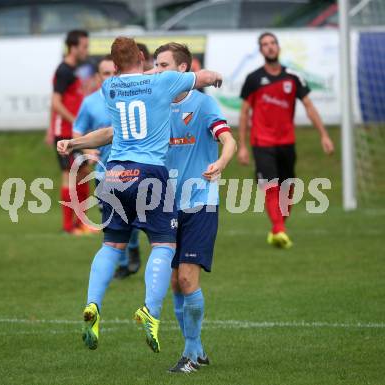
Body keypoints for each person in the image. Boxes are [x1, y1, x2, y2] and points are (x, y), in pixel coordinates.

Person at [57, 36, 223, 354]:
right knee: (163, 243)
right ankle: (150, 309)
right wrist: (213, 75)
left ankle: (93, 303)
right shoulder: (164, 83)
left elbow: (112, 130)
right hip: (149, 173)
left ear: (114, 65)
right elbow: (202, 78)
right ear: (143, 57)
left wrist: (74, 142)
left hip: (115, 174)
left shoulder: (110, 88)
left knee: (112, 244)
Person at [154, 43, 236, 373]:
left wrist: (221, 162)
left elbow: (229, 139)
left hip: (201, 200)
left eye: (163, 65)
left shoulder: (202, 104)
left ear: (183, 70)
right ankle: (198, 348)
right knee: (175, 283)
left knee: (188, 279)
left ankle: (189, 355)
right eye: (155, 65)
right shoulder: (156, 106)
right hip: (166, 204)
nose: (157, 71)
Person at [237, 32, 334, 248]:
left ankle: (278, 228)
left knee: (287, 187)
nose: (270, 47)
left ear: (278, 48)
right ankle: (279, 229)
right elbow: (244, 113)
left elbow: (309, 106)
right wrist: (242, 146)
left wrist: (324, 135)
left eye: (273, 43)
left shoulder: (293, 77)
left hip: (287, 142)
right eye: (265, 44)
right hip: (262, 143)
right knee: (270, 185)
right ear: (260, 50)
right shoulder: (253, 79)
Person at [73, 55, 140, 279]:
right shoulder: (90, 102)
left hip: (133, 169)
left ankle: (132, 248)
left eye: (114, 72)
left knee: (135, 218)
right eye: (106, 73)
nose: (111, 77)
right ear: (98, 76)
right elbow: (78, 130)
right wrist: (86, 150)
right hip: (104, 172)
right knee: (111, 220)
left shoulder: (133, 99)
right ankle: (121, 263)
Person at [47, 29, 91, 235]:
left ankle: (80, 222)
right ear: (73, 47)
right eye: (84, 46)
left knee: (83, 172)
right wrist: (76, 122)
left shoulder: (74, 71)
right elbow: (55, 103)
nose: (87, 50)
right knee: (69, 175)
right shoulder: (63, 70)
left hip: (74, 132)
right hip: (65, 133)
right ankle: (68, 226)